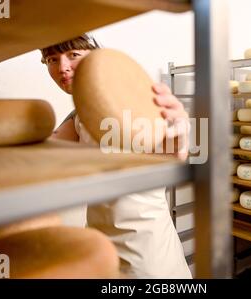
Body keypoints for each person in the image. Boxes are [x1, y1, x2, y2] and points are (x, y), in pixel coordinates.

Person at [41, 34, 192, 278]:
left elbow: (175, 152)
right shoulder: (80, 115)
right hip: (102, 248)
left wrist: (180, 128)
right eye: (51, 59)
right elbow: (43, 152)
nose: (63, 67)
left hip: (147, 250)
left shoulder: (139, 103)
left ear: (96, 56)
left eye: (74, 55)